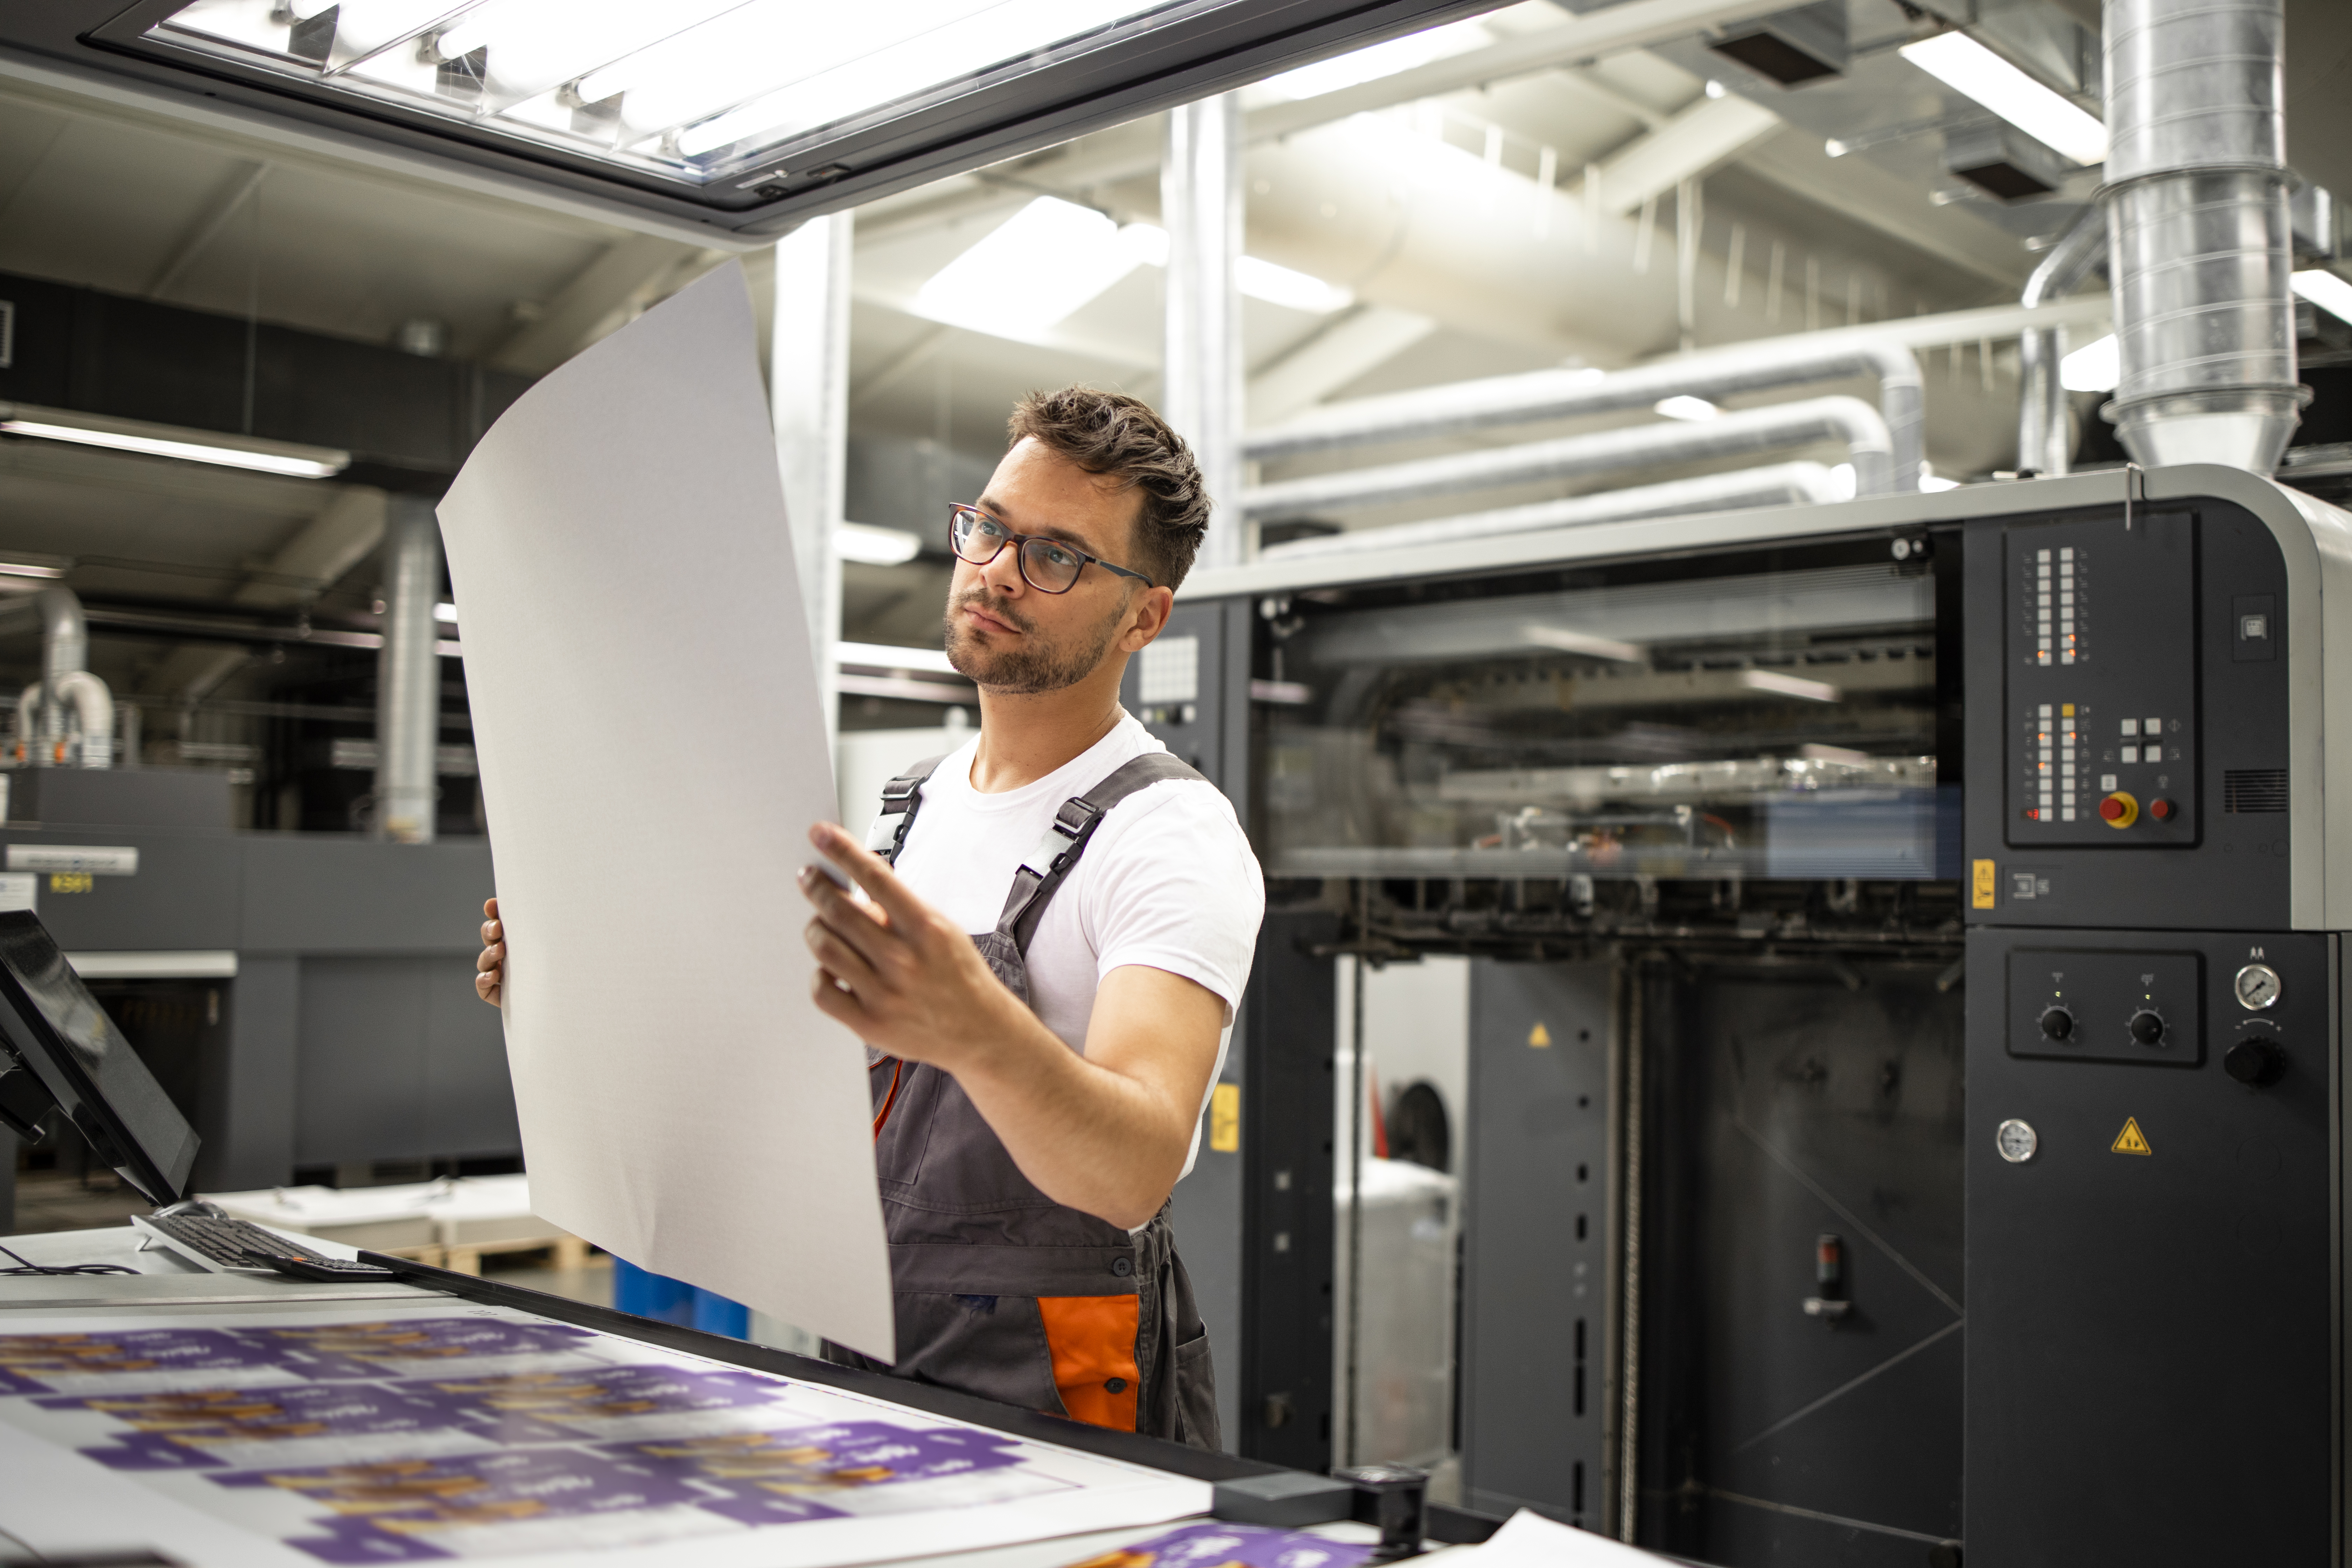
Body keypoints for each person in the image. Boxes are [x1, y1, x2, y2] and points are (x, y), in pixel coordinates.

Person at [476, 386, 1264, 1450]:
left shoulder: (1170, 834)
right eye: (989, 528)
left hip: (1063, 1383)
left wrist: (977, 1029)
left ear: (1144, 616)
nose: (995, 568)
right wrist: (580, 975)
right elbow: (788, 1080)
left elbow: (1136, 1166)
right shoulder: (911, 811)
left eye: (1057, 556)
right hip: (871, 1348)